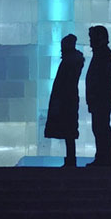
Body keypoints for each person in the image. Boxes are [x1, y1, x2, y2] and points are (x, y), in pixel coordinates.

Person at [44, 33, 84, 167]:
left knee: (68, 130)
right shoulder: (73, 62)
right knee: (69, 130)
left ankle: (70, 160)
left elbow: (63, 83)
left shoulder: (68, 62)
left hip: (65, 100)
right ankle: (70, 159)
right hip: (69, 99)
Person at [84, 25, 111, 167]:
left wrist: (94, 96)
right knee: (100, 128)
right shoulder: (102, 54)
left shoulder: (103, 55)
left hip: (101, 99)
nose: (90, 42)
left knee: (101, 128)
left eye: (92, 38)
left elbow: (100, 79)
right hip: (100, 98)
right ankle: (104, 158)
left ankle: (104, 159)